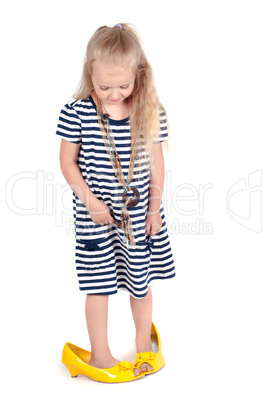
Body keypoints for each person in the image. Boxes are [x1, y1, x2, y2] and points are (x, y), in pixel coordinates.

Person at [56, 23, 175, 382]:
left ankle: (142, 342)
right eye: (103, 86)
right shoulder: (76, 112)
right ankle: (101, 353)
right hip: (95, 217)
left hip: (139, 216)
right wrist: (90, 199)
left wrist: (154, 209)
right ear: (89, 75)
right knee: (99, 284)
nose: (112, 93)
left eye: (123, 86)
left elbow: (157, 166)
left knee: (140, 281)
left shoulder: (150, 111)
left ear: (139, 76)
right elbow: (67, 162)